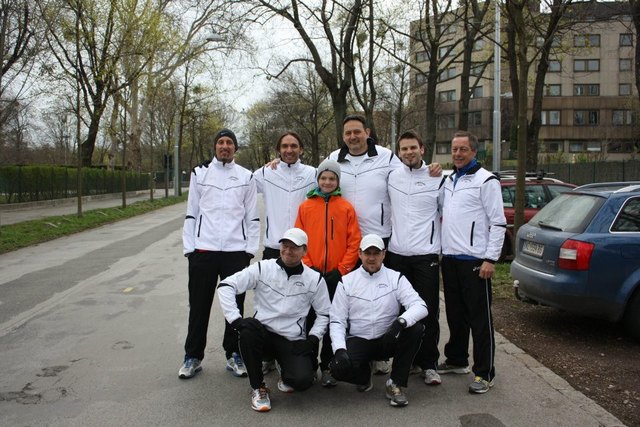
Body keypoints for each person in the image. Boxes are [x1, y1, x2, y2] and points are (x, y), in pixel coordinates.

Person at [217, 228, 331, 412]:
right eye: (285, 246)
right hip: (263, 335)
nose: (288, 251)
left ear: (305, 251)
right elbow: (226, 285)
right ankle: (258, 387)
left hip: (291, 339)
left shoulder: (314, 279)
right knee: (248, 330)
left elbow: (324, 314)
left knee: (302, 381)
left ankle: (282, 364)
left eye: (294, 247)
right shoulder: (263, 268)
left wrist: (312, 339)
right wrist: (235, 320)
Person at [178, 128, 259, 380]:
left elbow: (252, 216)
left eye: (230, 143)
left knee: (234, 305)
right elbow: (192, 212)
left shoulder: (246, 176)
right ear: (215, 147)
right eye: (221, 142)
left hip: (236, 252)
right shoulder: (200, 173)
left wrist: (249, 250)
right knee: (199, 306)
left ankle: (233, 354)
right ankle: (192, 356)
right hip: (204, 250)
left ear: (235, 148)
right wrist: (190, 248)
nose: (225, 146)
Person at [438, 130, 507, 394]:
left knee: (480, 320)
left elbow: (498, 222)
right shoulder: (449, 180)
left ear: (474, 152)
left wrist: (490, 258)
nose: (457, 154)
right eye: (454, 149)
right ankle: (457, 359)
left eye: (462, 150)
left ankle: (484, 373)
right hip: (451, 259)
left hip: (476, 261)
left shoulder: (486, 180)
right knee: (455, 315)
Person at [329, 234, 428, 407]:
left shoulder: (396, 278)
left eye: (376, 253)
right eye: (368, 253)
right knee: (337, 369)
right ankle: (364, 375)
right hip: (360, 339)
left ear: (384, 254)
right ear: (359, 254)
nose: (372, 258)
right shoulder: (347, 281)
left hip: (387, 339)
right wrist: (339, 349)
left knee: (416, 329)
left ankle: (395, 384)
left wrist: (401, 322)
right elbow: (337, 320)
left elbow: (420, 306)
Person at [295, 158, 361, 387]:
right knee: (312, 320)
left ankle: (329, 366)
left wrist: (341, 269)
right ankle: (310, 365)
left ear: (337, 181)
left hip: (336, 276)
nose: (327, 182)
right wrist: (309, 266)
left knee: (335, 320)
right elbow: (299, 238)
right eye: (323, 178)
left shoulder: (345, 207)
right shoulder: (306, 206)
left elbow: (354, 242)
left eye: (332, 178)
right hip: (311, 275)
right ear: (318, 180)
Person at [386, 131, 445, 386]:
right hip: (397, 255)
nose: (408, 152)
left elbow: (448, 213)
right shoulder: (391, 176)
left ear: (422, 149)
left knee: (427, 311)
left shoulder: (438, 178)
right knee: (400, 311)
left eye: (413, 148)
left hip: (425, 256)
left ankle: (429, 363)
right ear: (398, 152)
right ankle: (406, 361)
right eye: (404, 149)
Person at [254, 132, 316, 260]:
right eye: (285, 146)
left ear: (301, 149)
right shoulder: (266, 172)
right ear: (278, 150)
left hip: (302, 247)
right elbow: (240, 184)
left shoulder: (312, 173)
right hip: (274, 247)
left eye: (294, 146)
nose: (289, 150)